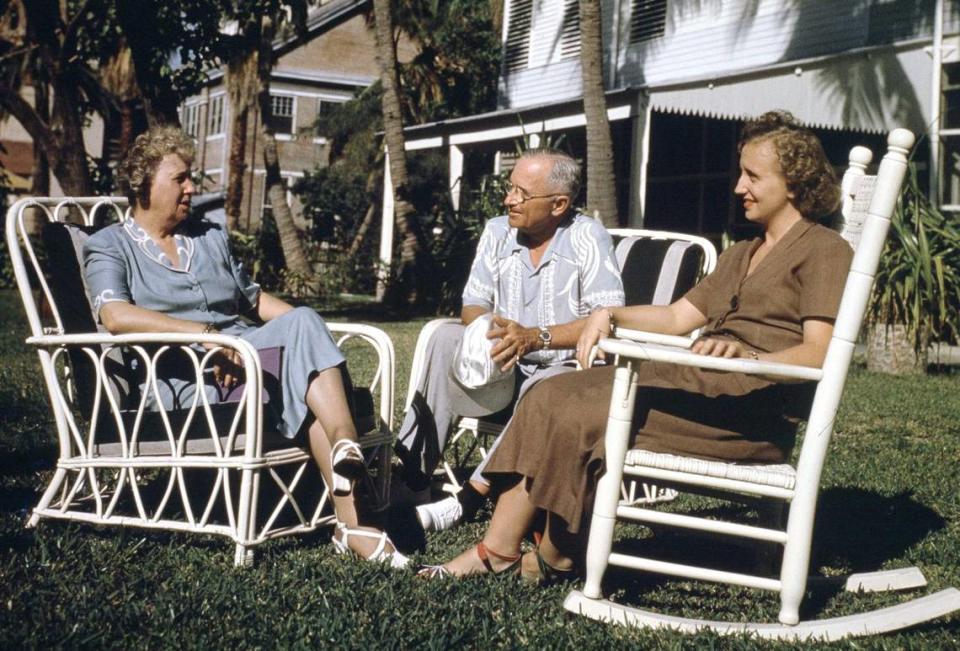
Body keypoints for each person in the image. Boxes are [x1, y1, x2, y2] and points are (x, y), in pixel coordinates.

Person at [423, 110, 853, 580]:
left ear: (792, 183)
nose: (737, 187)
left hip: (746, 412)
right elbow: (675, 317)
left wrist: (750, 357)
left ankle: (556, 552)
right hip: (699, 389)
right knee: (551, 395)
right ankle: (503, 549)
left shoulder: (825, 250)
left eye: (752, 176)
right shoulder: (743, 254)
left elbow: (821, 352)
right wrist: (607, 315)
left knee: (576, 408)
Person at [82, 126, 406, 568]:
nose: (191, 187)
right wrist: (208, 338)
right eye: (180, 179)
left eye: (190, 177)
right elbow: (115, 315)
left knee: (304, 330)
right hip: (183, 379)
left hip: (248, 356)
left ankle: (347, 464)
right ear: (144, 184)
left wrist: (305, 332)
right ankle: (353, 515)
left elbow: (252, 300)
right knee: (303, 369)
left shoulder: (209, 236)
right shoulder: (110, 245)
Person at [397, 148, 624, 533]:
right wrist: (498, 335)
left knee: (547, 384)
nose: (509, 200)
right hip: (500, 370)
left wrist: (535, 339)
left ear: (559, 204)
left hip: (560, 374)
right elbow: (473, 304)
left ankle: (468, 498)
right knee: (443, 339)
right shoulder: (497, 231)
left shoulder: (587, 236)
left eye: (521, 193)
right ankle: (412, 477)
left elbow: (606, 320)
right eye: (509, 188)